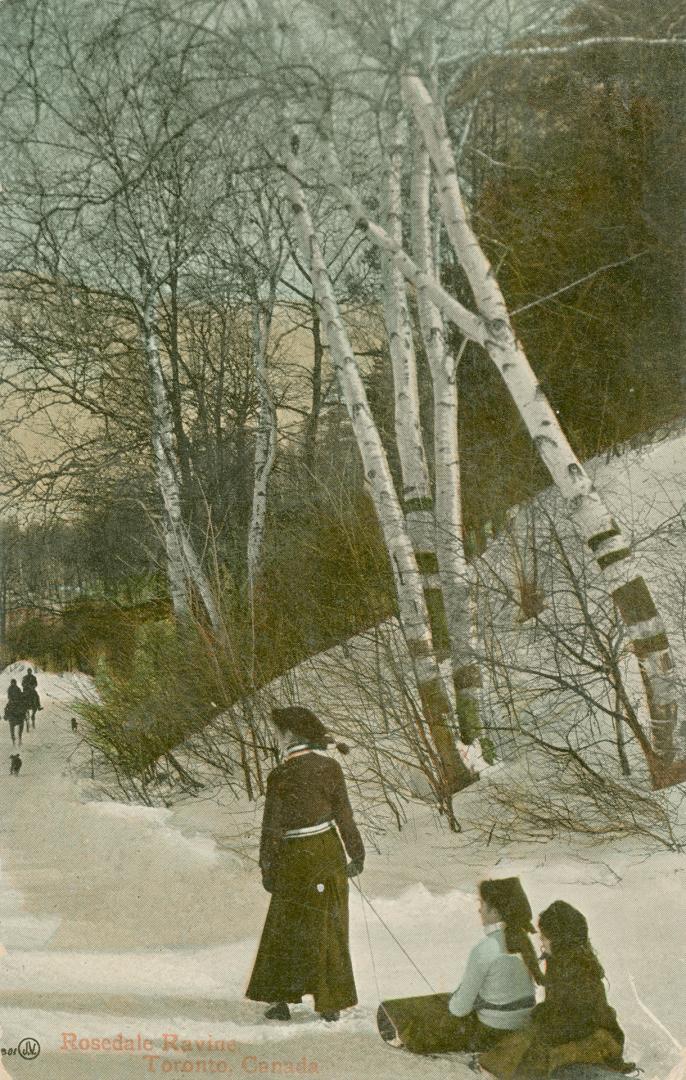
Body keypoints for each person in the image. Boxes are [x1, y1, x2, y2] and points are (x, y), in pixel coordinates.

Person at [246, 705, 365, 1023]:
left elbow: (271, 828)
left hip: (293, 857)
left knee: (286, 927)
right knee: (328, 924)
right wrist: (357, 854)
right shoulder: (330, 768)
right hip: (327, 852)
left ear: (289, 735)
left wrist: (267, 867)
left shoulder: (279, 775)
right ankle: (331, 1003)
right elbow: (345, 817)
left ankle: (281, 1002)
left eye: (277, 732)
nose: (276, 738)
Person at [377, 877, 543, 1055]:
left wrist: (458, 999)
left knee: (425, 1009)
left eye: (482, 904)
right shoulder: (524, 942)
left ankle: (401, 1031)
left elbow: (459, 1009)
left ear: (495, 912)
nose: (479, 909)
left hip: (491, 1032)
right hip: (521, 1026)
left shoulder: (485, 949)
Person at [480, 900, 631, 1078]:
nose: (542, 943)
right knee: (522, 1043)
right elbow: (558, 1007)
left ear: (559, 938)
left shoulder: (578, 969)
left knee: (541, 1057)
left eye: (544, 937)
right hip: (575, 1032)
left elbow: (579, 1021)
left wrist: (544, 1028)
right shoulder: (559, 962)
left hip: (597, 1038)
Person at [4, 680, 25, 747]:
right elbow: (9, 696)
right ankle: (6, 716)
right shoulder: (10, 688)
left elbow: (20, 694)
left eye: (14, 683)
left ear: (15, 683)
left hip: (18, 701)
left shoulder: (18, 688)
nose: (13, 684)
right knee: (7, 708)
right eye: (12, 683)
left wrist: (19, 698)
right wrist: (12, 699)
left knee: (23, 707)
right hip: (12, 701)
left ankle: (23, 716)